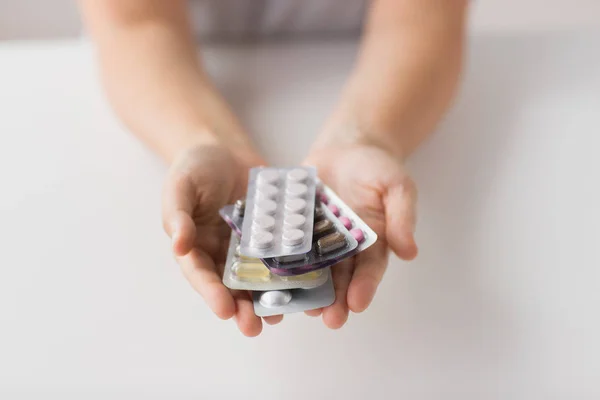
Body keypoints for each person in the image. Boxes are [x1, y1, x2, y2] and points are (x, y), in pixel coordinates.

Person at [79, 0, 469, 336]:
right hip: (184, 70)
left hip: (367, 67)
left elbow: (423, 18)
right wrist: (202, 139)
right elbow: (136, 22)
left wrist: (367, 136)